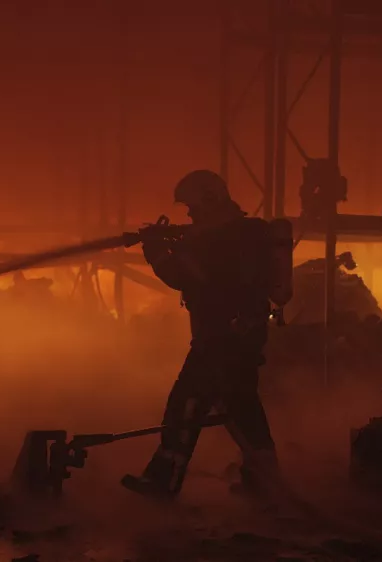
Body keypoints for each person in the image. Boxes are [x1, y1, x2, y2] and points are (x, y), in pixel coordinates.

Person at [121, 170, 286, 501]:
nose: (190, 214)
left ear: (210, 201)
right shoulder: (237, 235)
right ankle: (264, 482)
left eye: (192, 207)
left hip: (222, 340)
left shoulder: (227, 240)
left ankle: (164, 481)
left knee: (185, 406)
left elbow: (190, 278)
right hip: (237, 336)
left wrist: (158, 253)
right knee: (241, 409)